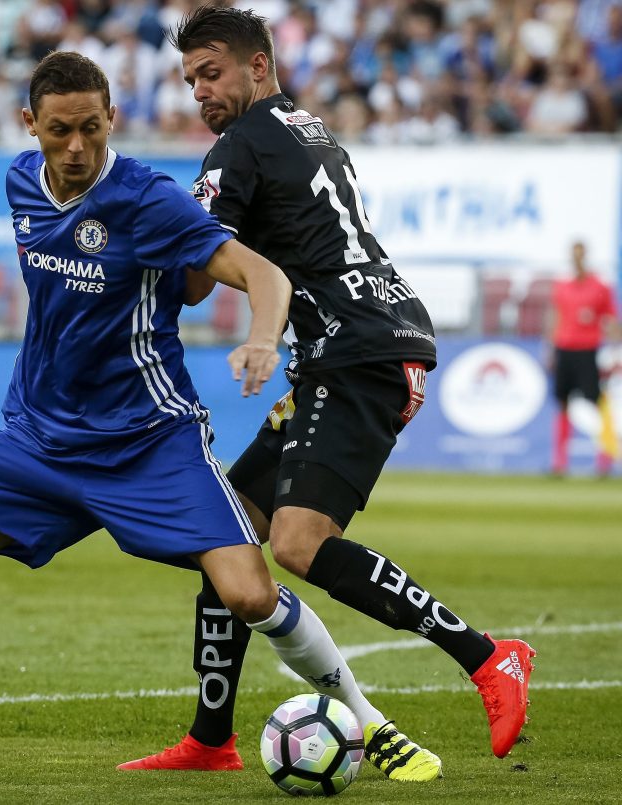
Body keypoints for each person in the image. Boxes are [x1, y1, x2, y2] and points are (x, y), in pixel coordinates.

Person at [0, 51, 435, 781]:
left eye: (91, 129)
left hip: (149, 443)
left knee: (250, 591)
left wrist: (259, 337)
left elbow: (264, 272)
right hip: (37, 439)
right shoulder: (18, 183)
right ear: (30, 123)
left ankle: (372, 728)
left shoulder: (148, 200)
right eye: (58, 130)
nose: (75, 148)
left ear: (111, 119)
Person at [117, 5, 536, 773]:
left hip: (355, 352)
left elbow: (190, 280)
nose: (200, 92)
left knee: (297, 543)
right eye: (189, 80)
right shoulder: (307, 127)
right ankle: (212, 739)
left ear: (259, 66)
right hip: (369, 340)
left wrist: (134, 235)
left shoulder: (237, 145)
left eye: (211, 73)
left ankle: (488, 656)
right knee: (227, 530)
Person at [549, 240, 620, 476]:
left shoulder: (599, 287)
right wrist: (550, 347)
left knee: (597, 402)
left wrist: (615, 348)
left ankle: (605, 458)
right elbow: (556, 316)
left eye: (580, 254)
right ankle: (560, 463)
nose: (577, 259)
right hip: (564, 348)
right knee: (563, 403)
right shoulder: (563, 287)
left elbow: (611, 319)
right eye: (574, 255)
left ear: (585, 256)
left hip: (588, 350)